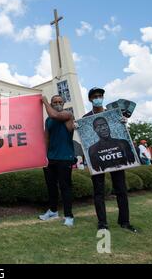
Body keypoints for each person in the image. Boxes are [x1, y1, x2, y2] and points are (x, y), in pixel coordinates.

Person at [82, 87, 138, 233]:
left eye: (100, 95)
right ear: (90, 99)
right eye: (95, 96)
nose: (98, 98)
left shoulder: (113, 114)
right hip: (99, 162)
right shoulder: (86, 119)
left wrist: (124, 122)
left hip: (117, 160)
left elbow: (129, 151)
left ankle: (124, 221)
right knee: (99, 192)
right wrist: (78, 127)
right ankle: (102, 222)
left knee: (121, 190)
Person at [39, 95, 75, 227]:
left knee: (65, 187)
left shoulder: (67, 114)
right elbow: (46, 138)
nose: (58, 104)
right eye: (55, 102)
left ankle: (69, 216)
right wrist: (45, 155)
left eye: (60, 102)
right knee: (51, 186)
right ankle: (53, 211)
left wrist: (44, 102)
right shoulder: (48, 120)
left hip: (65, 158)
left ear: (64, 103)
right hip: (51, 158)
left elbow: (55, 116)